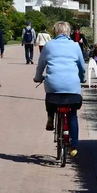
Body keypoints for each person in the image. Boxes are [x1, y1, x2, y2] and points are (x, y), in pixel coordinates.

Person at [34, 21, 86, 157]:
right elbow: (82, 66)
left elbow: (41, 65)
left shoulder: (48, 46)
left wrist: (38, 77)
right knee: (73, 115)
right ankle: (74, 146)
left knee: (50, 94)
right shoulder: (75, 46)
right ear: (68, 32)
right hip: (72, 88)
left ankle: (50, 117)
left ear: (54, 32)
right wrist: (83, 78)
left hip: (53, 87)